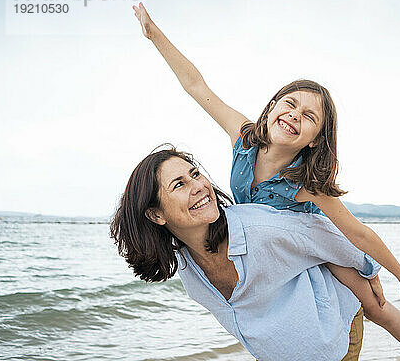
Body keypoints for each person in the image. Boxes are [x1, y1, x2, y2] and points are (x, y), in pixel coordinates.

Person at [132, 2, 400, 361]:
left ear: (314, 139)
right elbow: (197, 86)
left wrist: (398, 274)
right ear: (273, 106)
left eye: (309, 116)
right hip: (271, 248)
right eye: (289, 104)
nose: (295, 115)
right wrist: (155, 36)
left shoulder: (306, 182)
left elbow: (357, 232)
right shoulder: (243, 139)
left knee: (373, 304)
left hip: (313, 242)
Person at [110, 147, 379, 360]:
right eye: (179, 184)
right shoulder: (186, 264)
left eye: (194, 174)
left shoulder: (257, 227)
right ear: (156, 215)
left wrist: (370, 269)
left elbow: (327, 233)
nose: (199, 185)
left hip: (333, 335)